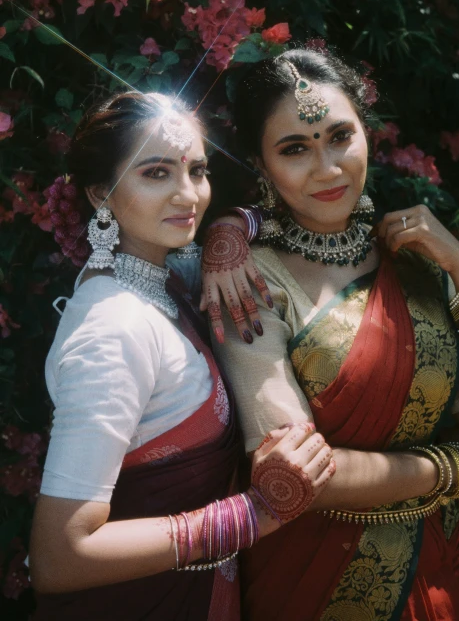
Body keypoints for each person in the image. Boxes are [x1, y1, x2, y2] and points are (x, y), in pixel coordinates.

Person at [205, 49, 459, 621]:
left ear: (366, 136)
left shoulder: (416, 259)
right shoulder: (250, 278)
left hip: (441, 567)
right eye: (294, 148)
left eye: (339, 136)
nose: (327, 167)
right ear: (260, 163)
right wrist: (456, 467)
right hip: (312, 580)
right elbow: (301, 475)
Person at [29, 90, 336, 621]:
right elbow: (61, 555)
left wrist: (230, 231)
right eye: (156, 173)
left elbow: (288, 213)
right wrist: (255, 514)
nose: (188, 194)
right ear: (102, 193)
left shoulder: (164, 279)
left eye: (197, 170)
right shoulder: (114, 328)